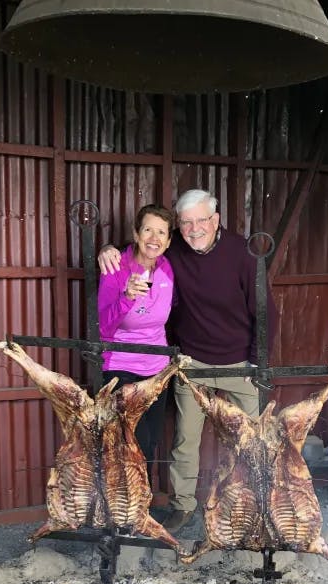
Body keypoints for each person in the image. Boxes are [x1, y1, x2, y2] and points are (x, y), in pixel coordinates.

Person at [99, 188, 275, 533]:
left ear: (216, 220)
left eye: (201, 221)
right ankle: (182, 508)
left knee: (253, 439)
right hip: (191, 363)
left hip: (240, 364)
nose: (194, 229)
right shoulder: (173, 247)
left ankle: (259, 507)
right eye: (186, 223)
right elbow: (146, 241)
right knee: (184, 441)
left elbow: (266, 311)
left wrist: (257, 362)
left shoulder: (243, 253)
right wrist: (108, 250)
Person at [97, 203, 176, 473]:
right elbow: (104, 328)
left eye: (161, 233)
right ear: (135, 233)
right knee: (132, 442)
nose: (154, 239)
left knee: (152, 440)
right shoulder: (115, 267)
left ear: (169, 241)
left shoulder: (167, 268)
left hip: (157, 368)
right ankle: (127, 509)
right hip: (121, 367)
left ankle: (143, 506)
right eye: (148, 230)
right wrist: (126, 298)